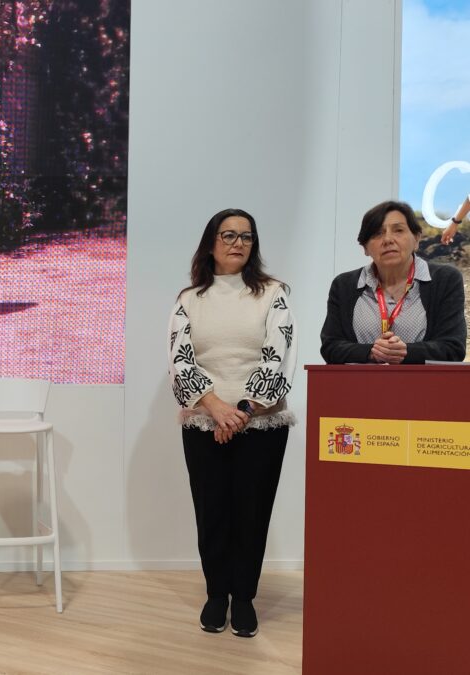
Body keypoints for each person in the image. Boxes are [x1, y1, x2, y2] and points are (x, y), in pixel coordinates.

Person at [167, 208, 297, 638]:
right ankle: (216, 594)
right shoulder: (189, 298)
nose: (238, 243)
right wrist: (215, 407)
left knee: (251, 512)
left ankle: (243, 598)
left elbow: (278, 354)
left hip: (261, 423)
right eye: (229, 235)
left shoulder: (273, 293)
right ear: (211, 242)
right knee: (212, 512)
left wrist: (242, 409)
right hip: (205, 421)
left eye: (247, 236)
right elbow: (179, 357)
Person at [321, 200, 466, 364]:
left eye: (398, 230)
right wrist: (371, 352)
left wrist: (406, 352)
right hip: (360, 387)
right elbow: (330, 347)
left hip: (424, 388)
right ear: (365, 248)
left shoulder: (445, 280)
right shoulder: (344, 285)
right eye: (377, 233)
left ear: (416, 239)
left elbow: (453, 348)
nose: (388, 239)